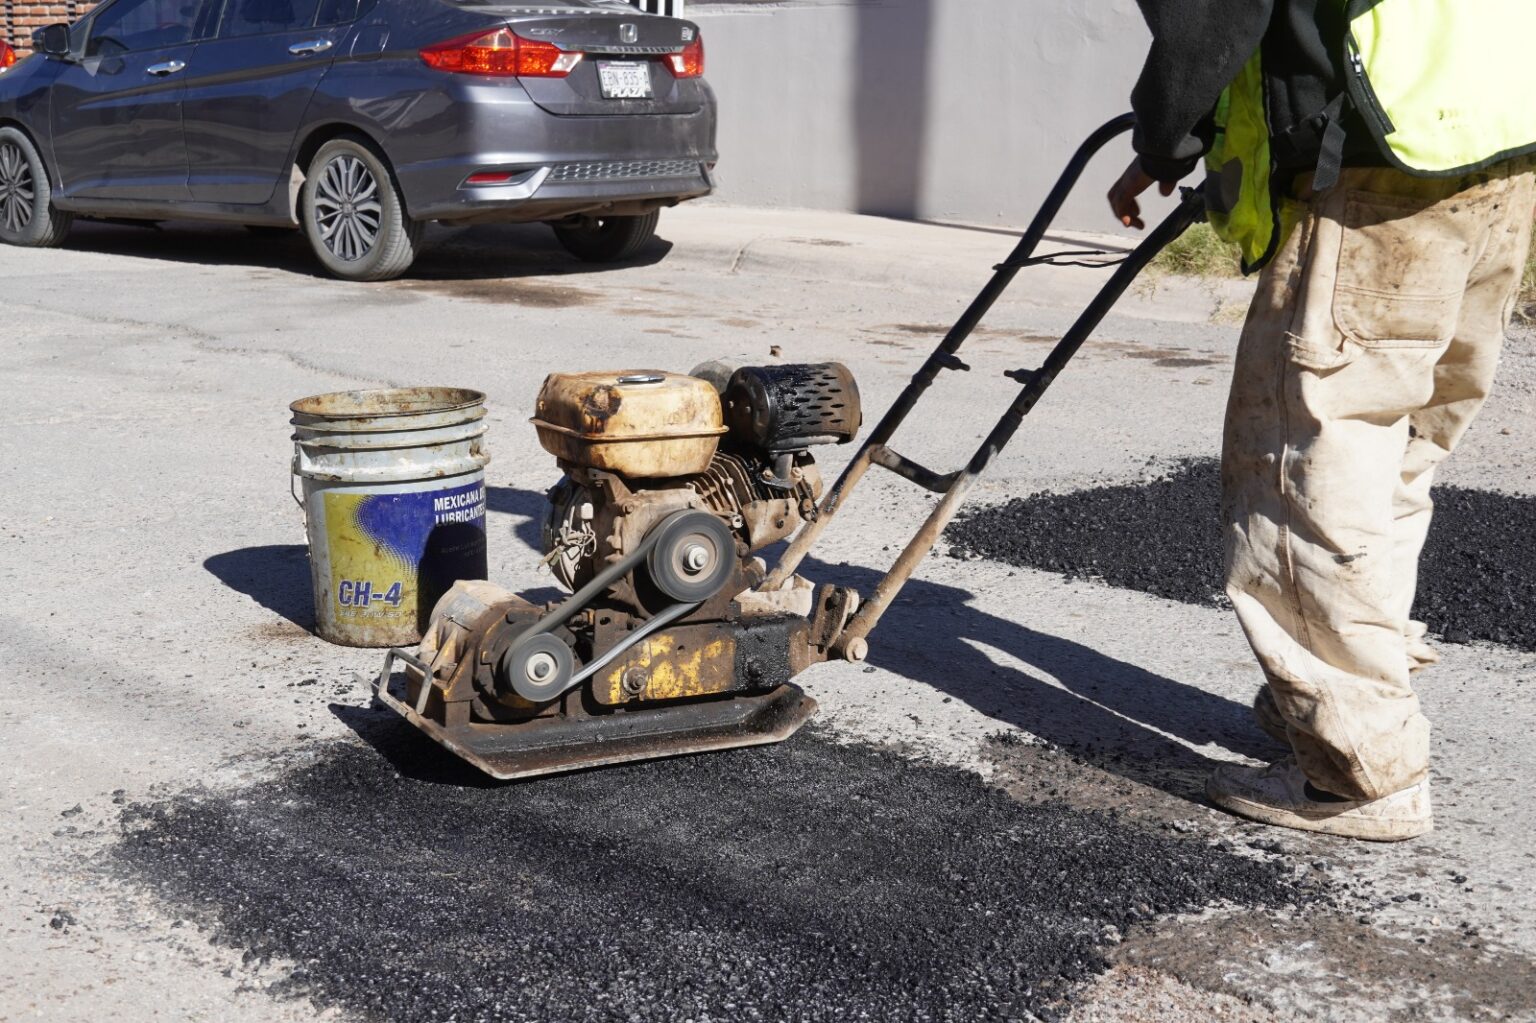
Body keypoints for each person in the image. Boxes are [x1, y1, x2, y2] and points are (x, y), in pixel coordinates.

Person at [1107, 1, 1536, 841]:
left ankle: (1360, 766)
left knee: (1304, 470)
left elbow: (1212, 11)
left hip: (1375, 176)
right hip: (1496, 154)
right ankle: (1350, 695)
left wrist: (1165, 140)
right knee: (1393, 451)